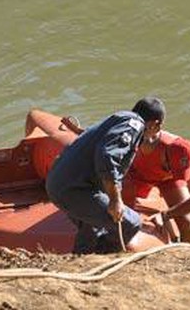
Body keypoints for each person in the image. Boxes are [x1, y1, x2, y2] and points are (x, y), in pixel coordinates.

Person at [44, 98, 165, 254]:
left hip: (59, 184)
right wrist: (115, 200)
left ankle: (81, 260)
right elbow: (108, 157)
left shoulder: (119, 118)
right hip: (75, 188)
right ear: (156, 124)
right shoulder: (134, 125)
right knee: (131, 222)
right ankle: (103, 258)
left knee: (90, 228)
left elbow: (94, 139)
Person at [122, 97, 190, 244]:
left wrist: (166, 215)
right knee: (119, 213)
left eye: (141, 127)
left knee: (186, 221)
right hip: (138, 176)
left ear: (156, 126)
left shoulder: (178, 150)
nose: (134, 131)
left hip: (168, 180)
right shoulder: (125, 135)